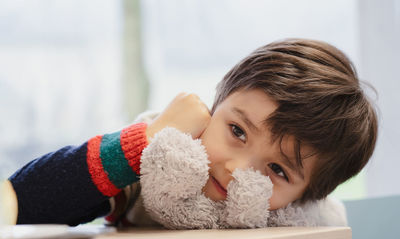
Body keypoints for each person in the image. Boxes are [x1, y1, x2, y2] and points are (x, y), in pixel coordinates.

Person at [8, 38, 377, 226]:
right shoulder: (159, 153)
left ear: (305, 198)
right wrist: (145, 141)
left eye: (278, 170)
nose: (237, 169)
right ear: (215, 106)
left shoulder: (309, 216)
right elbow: (22, 205)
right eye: (237, 130)